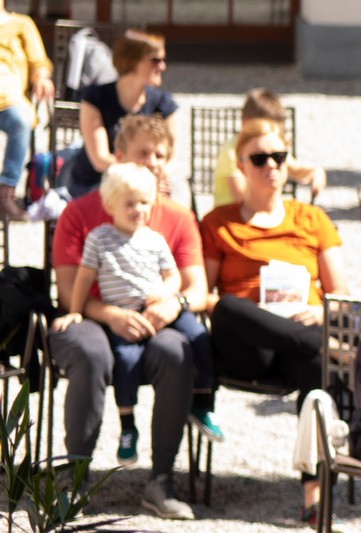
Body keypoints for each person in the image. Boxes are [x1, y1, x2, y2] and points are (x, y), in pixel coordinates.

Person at [49, 115, 207, 520]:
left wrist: (174, 304)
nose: (153, 162)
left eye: (161, 155)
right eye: (143, 153)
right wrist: (110, 314)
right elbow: (67, 290)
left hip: (153, 319)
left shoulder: (177, 217)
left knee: (176, 351)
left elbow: (196, 288)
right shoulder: (79, 213)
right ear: (117, 156)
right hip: (89, 316)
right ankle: (75, 479)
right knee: (91, 354)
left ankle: (161, 481)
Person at [200, 120, 348, 526]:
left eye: (279, 157)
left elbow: (341, 295)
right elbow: (204, 296)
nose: (271, 166)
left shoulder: (312, 218)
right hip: (248, 346)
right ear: (241, 165)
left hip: (300, 333)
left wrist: (323, 313)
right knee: (228, 306)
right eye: (260, 158)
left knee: (314, 368)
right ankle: (329, 346)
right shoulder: (218, 222)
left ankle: (314, 493)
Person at [51, 162, 222, 467]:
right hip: (121, 314)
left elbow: (174, 276)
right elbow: (83, 279)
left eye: (144, 202)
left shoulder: (155, 238)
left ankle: (202, 401)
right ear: (111, 205)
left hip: (156, 308)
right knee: (125, 360)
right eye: (130, 204)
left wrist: (167, 296)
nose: (138, 210)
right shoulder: (99, 237)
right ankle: (126, 426)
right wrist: (75, 311)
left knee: (196, 338)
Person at [58, 29, 177, 200]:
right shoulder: (95, 97)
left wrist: (157, 176)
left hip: (149, 186)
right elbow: (100, 160)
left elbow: (171, 159)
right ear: (132, 60)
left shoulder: (163, 103)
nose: (162, 66)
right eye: (156, 60)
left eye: (163, 60)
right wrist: (143, 174)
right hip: (97, 184)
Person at [213, 87, 327, 207]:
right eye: (259, 159)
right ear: (247, 123)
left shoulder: (270, 147)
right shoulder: (231, 152)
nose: (271, 163)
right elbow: (241, 198)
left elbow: (296, 169)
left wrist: (315, 172)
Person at [0, 0, 54, 220]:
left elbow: (39, 63)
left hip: (8, 99)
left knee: (22, 119)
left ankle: (6, 192)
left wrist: (42, 78)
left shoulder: (21, 24)